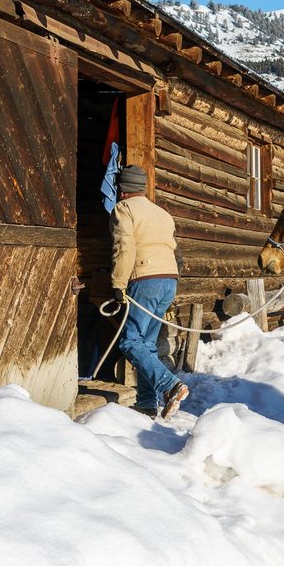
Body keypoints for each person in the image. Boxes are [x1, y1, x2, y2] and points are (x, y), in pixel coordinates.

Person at [110, 164, 188, 419]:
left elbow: (125, 248)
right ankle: (146, 403)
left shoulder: (124, 209)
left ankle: (169, 385)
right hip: (168, 281)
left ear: (122, 189)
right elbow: (175, 250)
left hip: (145, 278)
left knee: (130, 341)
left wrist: (118, 284)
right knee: (147, 344)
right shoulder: (161, 213)